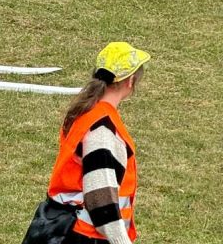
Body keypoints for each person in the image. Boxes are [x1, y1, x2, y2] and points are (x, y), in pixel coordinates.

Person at [44, 42, 151, 244]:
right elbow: (102, 203)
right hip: (84, 236)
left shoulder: (86, 112)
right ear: (130, 81)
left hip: (64, 228)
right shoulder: (103, 130)